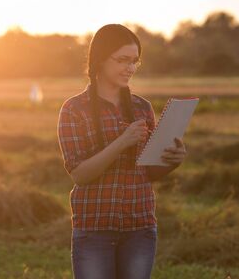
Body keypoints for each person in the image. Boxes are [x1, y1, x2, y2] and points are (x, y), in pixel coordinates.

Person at [57, 24, 187, 279]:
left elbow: (147, 172)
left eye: (135, 61)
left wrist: (172, 160)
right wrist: (121, 142)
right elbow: (80, 174)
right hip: (94, 229)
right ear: (100, 59)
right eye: (122, 60)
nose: (130, 68)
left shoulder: (142, 108)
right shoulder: (74, 109)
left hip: (140, 227)